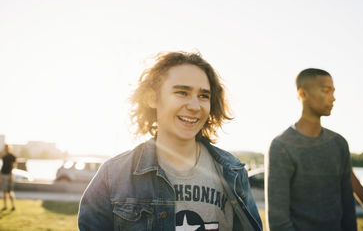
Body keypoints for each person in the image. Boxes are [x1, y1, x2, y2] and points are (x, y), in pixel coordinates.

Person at [78, 52, 262, 231]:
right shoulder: (113, 176)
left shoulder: (233, 172)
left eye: (204, 96)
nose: (194, 106)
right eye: (182, 92)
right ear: (152, 98)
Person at [265, 68, 357, 231]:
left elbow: (348, 209)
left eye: (333, 91)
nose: (333, 98)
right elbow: (278, 220)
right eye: (325, 90)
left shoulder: (339, 144)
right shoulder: (281, 146)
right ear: (303, 94)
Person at [1, 144, 17, 211]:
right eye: (5, 148)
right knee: (4, 192)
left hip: (9, 175)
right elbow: (3, 166)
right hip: (3, 174)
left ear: (10, 148)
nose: (6, 149)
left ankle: (13, 206)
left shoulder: (13, 156)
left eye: (7, 148)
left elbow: (13, 166)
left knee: (10, 192)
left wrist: (11, 175)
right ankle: (5, 206)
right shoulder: (4, 157)